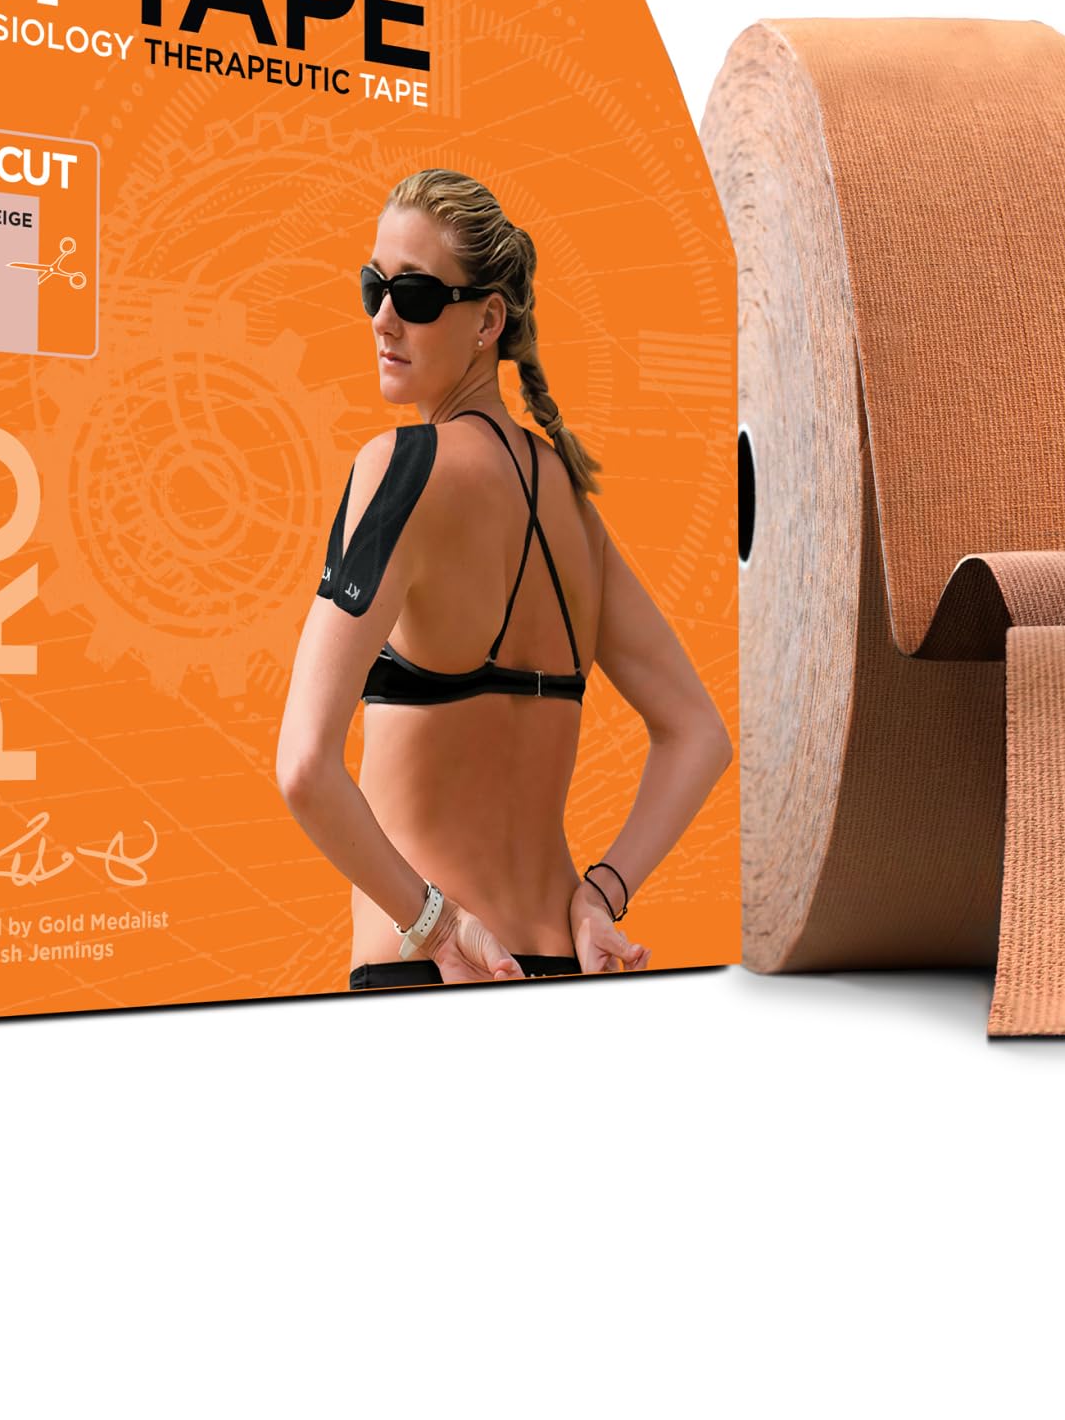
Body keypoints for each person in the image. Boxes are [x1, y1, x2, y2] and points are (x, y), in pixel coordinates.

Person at [276, 168, 732, 987]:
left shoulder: (400, 469)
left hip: (439, 968)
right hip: (564, 965)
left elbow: (305, 767)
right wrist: (602, 893)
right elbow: (698, 734)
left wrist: (435, 923)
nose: (383, 317)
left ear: (488, 320)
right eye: (373, 286)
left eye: (416, 294)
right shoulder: (571, 505)